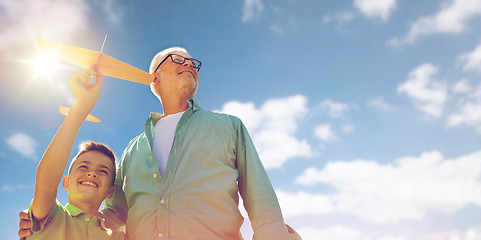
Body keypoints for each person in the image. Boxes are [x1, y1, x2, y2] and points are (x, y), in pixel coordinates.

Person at [20, 47, 300, 240]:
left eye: (193, 63)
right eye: (177, 60)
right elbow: (114, 213)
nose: (189, 64)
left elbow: (261, 200)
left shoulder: (229, 127)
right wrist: (46, 220)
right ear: (154, 79)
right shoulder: (131, 151)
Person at [23, 67, 124, 239]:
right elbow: (46, 183)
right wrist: (81, 106)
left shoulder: (118, 235)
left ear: (110, 192)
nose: (92, 173)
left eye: (103, 171)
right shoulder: (51, 217)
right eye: (83, 167)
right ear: (65, 182)